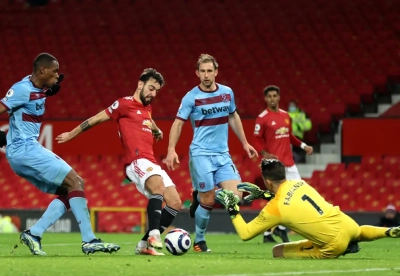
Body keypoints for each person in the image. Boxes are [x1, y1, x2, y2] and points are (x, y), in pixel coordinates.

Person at [0, 53, 120, 255]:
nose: (58, 75)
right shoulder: (22, 89)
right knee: (76, 181)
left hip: (21, 152)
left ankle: (34, 233)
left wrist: (45, 91)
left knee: (69, 190)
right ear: (42, 70)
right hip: (25, 150)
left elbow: (30, 99)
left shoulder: (35, 89)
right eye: (55, 71)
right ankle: (89, 240)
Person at [56, 68, 182, 256]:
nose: (153, 93)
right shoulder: (123, 104)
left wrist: (157, 130)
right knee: (158, 187)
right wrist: (70, 135)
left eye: (156, 91)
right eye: (151, 88)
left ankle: (144, 245)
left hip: (151, 160)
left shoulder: (147, 108)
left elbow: (148, 119)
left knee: (175, 202)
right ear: (140, 84)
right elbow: (95, 119)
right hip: (136, 160)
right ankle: (155, 234)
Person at [165, 54, 258, 252]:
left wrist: (245, 143)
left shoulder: (227, 93)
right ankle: (199, 240)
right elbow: (178, 123)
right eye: (203, 71)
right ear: (197, 73)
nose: (206, 75)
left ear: (216, 72)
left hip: (223, 155)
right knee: (209, 200)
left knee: (236, 197)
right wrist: (171, 149)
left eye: (210, 71)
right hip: (200, 154)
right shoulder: (191, 97)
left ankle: (199, 196)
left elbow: (233, 116)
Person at [216, 159, 400, 259]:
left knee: (276, 251)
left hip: (332, 245)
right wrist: (263, 194)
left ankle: (345, 248)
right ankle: (387, 231)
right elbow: (289, 198)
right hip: (347, 223)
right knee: (358, 231)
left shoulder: (275, 208)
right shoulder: (299, 182)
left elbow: (245, 233)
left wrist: (232, 208)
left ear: (268, 181)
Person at [252, 85, 313, 243]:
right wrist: (265, 154)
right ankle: (272, 231)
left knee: (299, 192)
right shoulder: (262, 118)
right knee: (277, 198)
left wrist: (303, 146)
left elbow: (290, 136)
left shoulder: (286, 116)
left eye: (275, 96)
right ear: (266, 99)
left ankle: (274, 230)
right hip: (274, 165)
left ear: (279, 97)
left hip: (289, 163)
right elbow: (256, 139)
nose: (272, 98)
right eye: (269, 96)